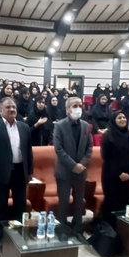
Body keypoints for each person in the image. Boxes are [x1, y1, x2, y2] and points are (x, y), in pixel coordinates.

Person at [0, 97, 33, 252]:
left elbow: (28, 151)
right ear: (0, 110)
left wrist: (29, 171)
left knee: (20, 205)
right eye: (8, 107)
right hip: (0, 172)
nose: (12, 109)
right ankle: (0, 238)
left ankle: (17, 236)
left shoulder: (24, 127)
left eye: (14, 107)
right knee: (0, 206)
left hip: (20, 171)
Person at [53, 97, 92, 235]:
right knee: (63, 201)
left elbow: (89, 148)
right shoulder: (59, 125)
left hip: (81, 171)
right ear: (67, 110)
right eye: (75, 106)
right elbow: (58, 149)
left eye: (80, 105)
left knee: (79, 201)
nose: (78, 108)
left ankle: (77, 228)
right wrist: (73, 165)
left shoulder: (86, 126)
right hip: (64, 171)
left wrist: (81, 164)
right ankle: (62, 228)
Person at [100, 111, 129, 227]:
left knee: (126, 202)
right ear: (113, 120)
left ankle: (124, 229)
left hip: (128, 177)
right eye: (119, 118)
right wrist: (119, 173)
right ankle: (110, 230)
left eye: (124, 117)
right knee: (112, 203)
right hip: (111, 176)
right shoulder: (108, 136)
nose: (122, 119)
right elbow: (106, 157)